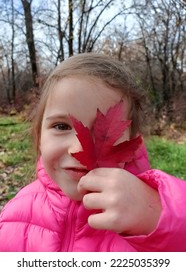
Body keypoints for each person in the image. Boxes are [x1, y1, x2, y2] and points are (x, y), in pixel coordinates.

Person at [0, 53, 186, 252]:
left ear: (133, 142)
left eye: (102, 132)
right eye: (61, 126)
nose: (78, 149)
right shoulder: (13, 217)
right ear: (39, 137)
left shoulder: (147, 219)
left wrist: (159, 216)